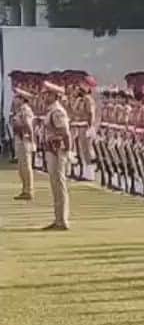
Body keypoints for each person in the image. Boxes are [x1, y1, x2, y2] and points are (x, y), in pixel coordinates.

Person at [42, 79, 73, 230]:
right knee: (55, 185)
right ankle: (58, 218)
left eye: (48, 94)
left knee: (59, 184)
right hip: (52, 149)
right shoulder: (51, 110)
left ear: (55, 96)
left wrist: (67, 150)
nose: (45, 97)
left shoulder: (57, 111)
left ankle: (62, 220)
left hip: (57, 150)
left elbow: (65, 133)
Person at [12, 77, 36, 201]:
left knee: (26, 167)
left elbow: (28, 126)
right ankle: (24, 189)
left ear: (22, 99)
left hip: (24, 139)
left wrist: (32, 141)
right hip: (19, 139)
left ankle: (29, 190)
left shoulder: (25, 109)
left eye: (17, 97)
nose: (15, 99)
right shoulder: (19, 110)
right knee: (21, 167)